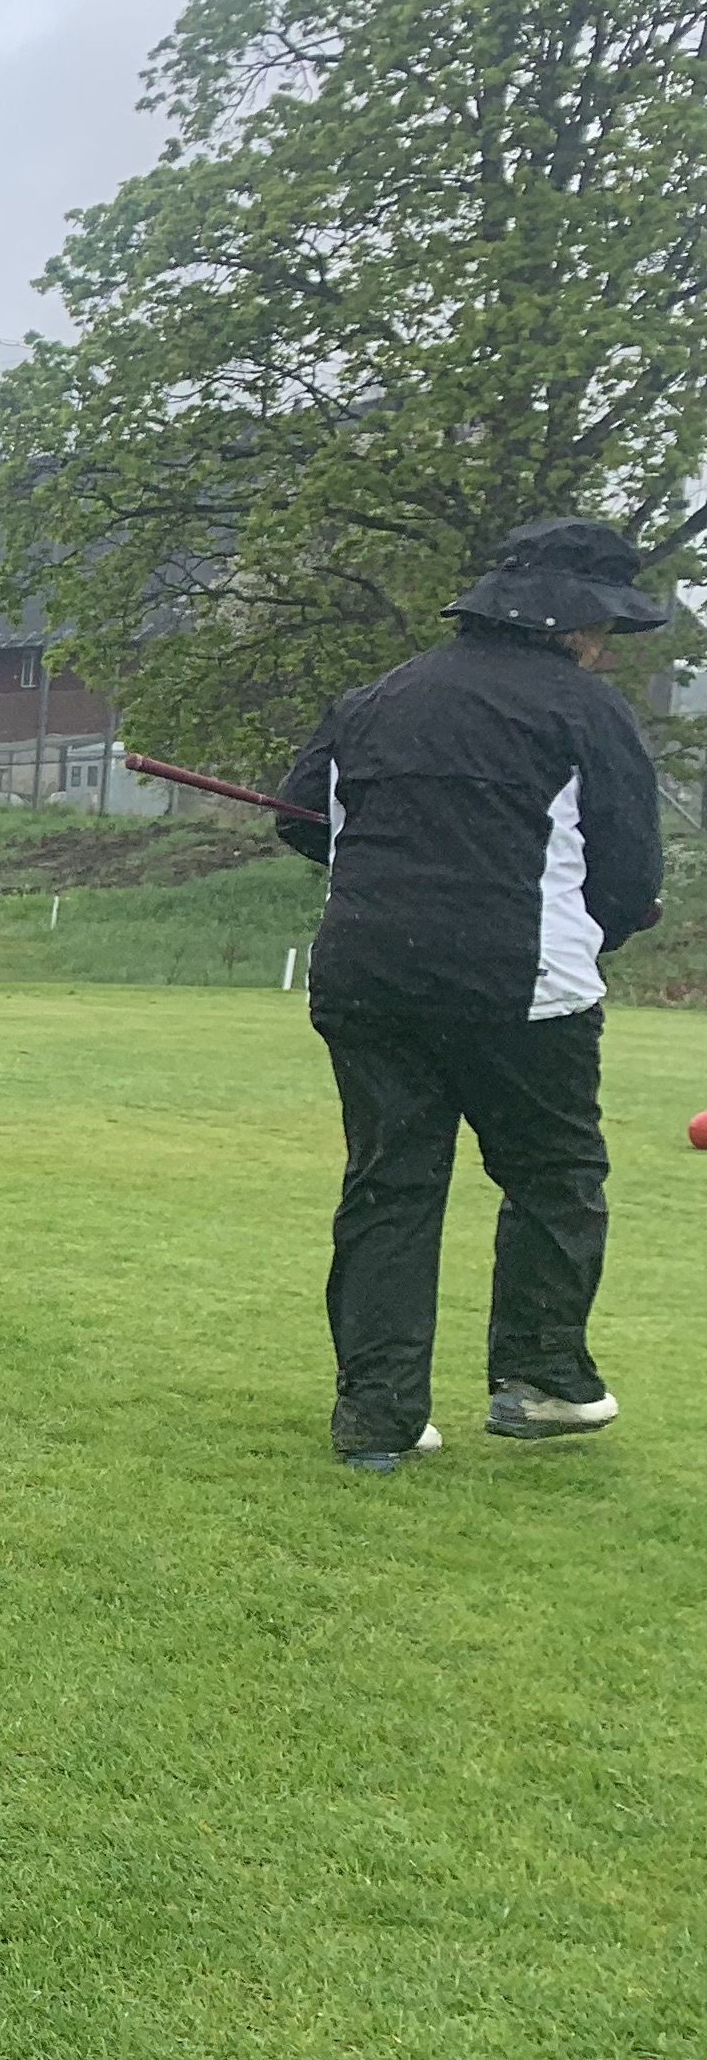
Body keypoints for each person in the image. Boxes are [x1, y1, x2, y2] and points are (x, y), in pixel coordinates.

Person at [273, 518, 669, 1473]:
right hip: (520, 986)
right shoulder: (587, 710)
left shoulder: (374, 699)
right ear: (569, 623)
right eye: (602, 626)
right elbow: (629, 875)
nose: (603, 645)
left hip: (366, 978)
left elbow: (302, 817)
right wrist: (597, 930)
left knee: (390, 1185)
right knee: (553, 1176)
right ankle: (542, 1378)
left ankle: (377, 1417)